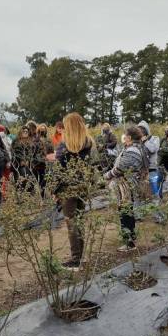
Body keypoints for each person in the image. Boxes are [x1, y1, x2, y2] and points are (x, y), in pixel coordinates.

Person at [55, 112, 94, 270]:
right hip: (83, 187)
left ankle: (75, 260)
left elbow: (59, 172)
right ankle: (81, 256)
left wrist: (55, 191)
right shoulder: (88, 143)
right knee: (79, 221)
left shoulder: (64, 147)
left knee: (71, 222)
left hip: (68, 188)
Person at [104, 126, 145, 252]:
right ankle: (129, 240)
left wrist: (107, 175)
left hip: (126, 186)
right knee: (126, 212)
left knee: (126, 213)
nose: (123, 136)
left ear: (130, 137)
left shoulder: (133, 150)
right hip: (124, 185)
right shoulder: (131, 148)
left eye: (125, 134)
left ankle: (129, 242)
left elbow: (121, 167)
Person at [137, 120, 160, 201]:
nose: (141, 133)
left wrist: (145, 141)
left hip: (152, 169)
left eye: (142, 130)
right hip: (141, 171)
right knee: (141, 194)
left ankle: (157, 212)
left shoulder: (155, 138)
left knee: (154, 192)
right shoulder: (138, 141)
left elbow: (153, 149)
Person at [11, 125, 35, 190]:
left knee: (29, 182)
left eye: (27, 131)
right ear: (20, 132)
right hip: (18, 165)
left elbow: (32, 153)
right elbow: (14, 152)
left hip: (28, 166)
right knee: (20, 183)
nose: (25, 132)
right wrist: (20, 160)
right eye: (24, 131)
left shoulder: (30, 142)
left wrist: (27, 160)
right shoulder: (16, 141)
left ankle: (28, 197)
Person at [0, 124, 13, 196]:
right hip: (7, 161)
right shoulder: (8, 139)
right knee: (6, 178)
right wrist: (9, 161)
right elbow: (9, 150)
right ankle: (5, 195)